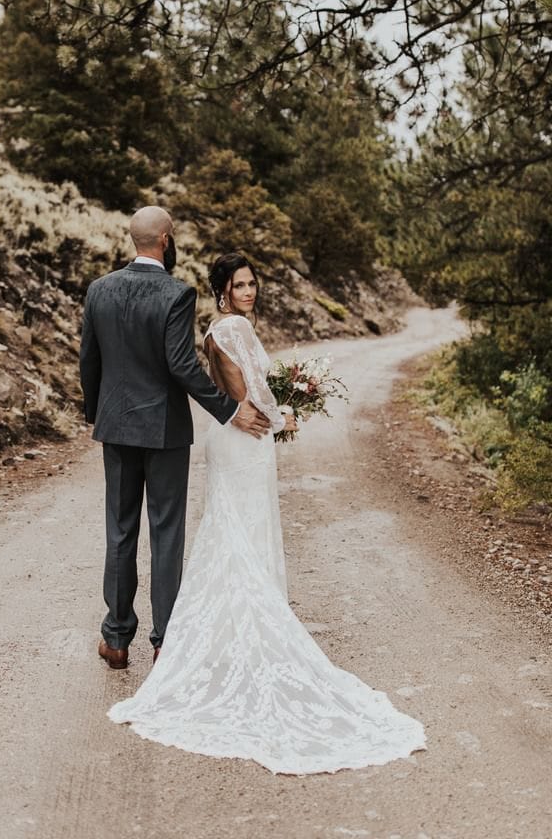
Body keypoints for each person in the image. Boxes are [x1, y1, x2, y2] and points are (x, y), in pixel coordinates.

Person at [106, 252, 426, 774]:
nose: (249, 291)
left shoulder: (216, 329)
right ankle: (248, 627)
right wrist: (286, 414)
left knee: (229, 529)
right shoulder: (233, 330)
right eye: (240, 284)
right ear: (222, 291)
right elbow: (246, 394)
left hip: (232, 439)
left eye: (253, 283)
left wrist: (277, 409)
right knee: (241, 529)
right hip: (243, 440)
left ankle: (216, 628)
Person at [79, 209, 270, 672]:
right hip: (163, 431)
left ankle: (117, 638)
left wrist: (97, 415)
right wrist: (229, 410)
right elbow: (182, 366)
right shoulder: (176, 292)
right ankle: (165, 641)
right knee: (166, 533)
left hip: (117, 429)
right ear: (164, 240)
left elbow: (89, 360)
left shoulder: (99, 290)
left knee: (120, 530)